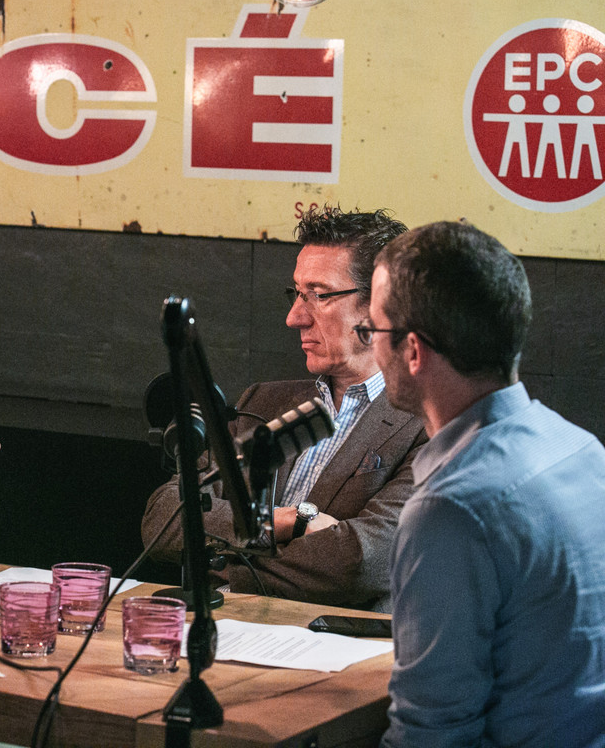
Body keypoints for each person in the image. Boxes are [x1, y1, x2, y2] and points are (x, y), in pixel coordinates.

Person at [366, 221, 605, 746]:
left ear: (412, 350)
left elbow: (430, 735)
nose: (370, 348)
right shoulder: (583, 449)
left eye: (373, 331)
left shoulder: (450, 511)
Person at [141, 207, 426, 610]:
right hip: (226, 633)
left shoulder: (427, 425)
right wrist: (290, 521)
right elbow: (164, 519)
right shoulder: (263, 402)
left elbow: (362, 561)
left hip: (336, 654)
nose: (295, 317)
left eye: (319, 295)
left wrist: (230, 570)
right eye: (296, 293)